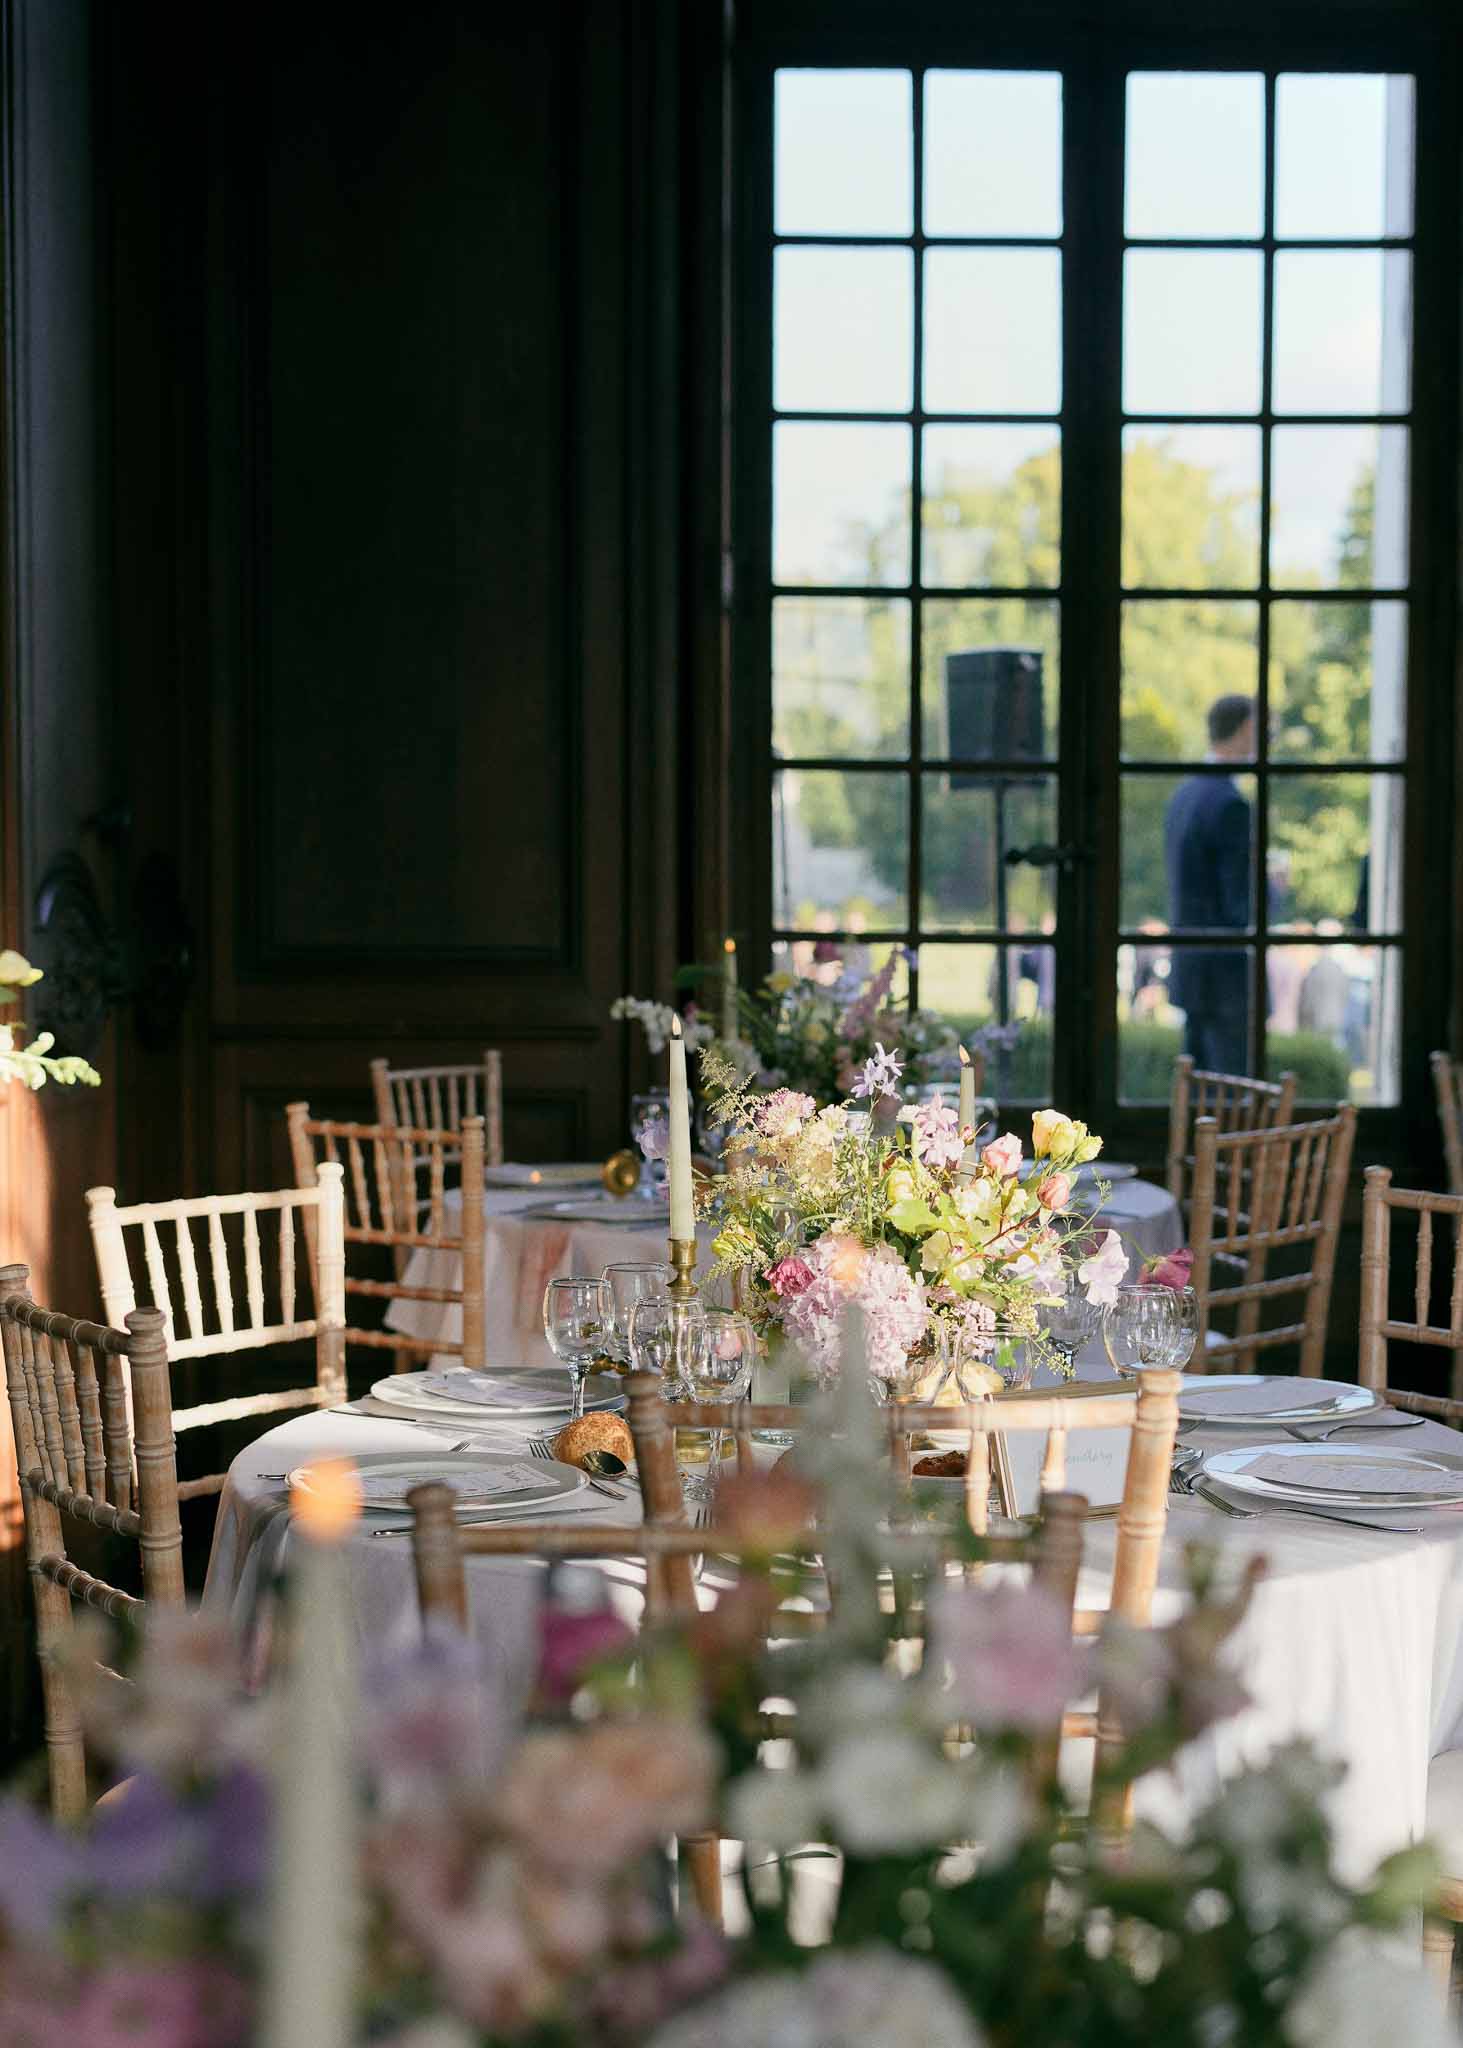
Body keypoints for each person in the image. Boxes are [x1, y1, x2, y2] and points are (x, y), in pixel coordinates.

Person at [1164, 694, 1254, 1075]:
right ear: (1243, 731)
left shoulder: (1185, 794)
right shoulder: (1229, 803)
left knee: (1196, 1087)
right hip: (1224, 973)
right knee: (1231, 1092)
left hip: (1192, 965)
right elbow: (1237, 899)